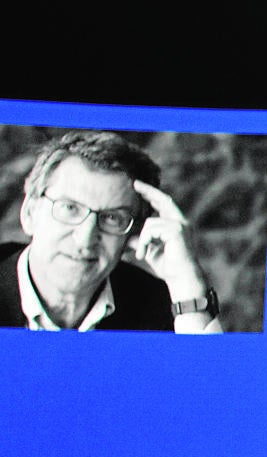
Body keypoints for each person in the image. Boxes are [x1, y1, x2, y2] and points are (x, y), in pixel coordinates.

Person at [0, 130, 222, 332]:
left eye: (113, 217)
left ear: (132, 234)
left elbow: (206, 376)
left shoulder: (162, 305)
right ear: (30, 213)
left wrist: (185, 283)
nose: (85, 239)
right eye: (70, 208)